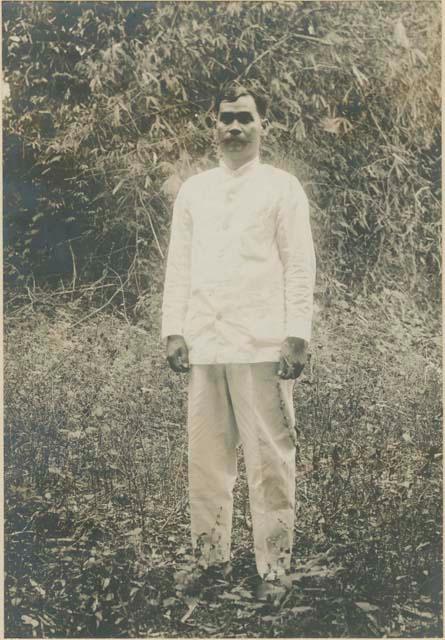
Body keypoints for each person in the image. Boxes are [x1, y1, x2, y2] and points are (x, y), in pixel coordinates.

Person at [161, 82, 316, 600]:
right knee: (207, 460)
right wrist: (173, 329)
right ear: (214, 124)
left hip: (262, 345)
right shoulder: (194, 191)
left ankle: (275, 569)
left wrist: (297, 335)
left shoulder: (282, 188)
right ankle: (211, 562)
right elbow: (178, 265)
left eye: (244, 118)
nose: (234, 127)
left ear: (261, 125)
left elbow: (298, 266)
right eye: (226, 118)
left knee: (270, 460)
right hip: (206, 341)